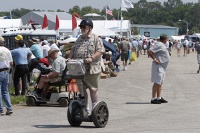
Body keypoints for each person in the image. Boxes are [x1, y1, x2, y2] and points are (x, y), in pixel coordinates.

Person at [69, 19, 105, 113]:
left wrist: (92, 58)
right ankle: (85, 108)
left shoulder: (96, 38)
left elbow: (101, 51)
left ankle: (95, 109)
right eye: (81, 27)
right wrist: (69, 58)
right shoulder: (79, 38)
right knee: (82, 89)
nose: (81, 29)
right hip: (79, 69)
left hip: (92, 68)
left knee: (93, 89)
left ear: (89, 28)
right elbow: (73, 49)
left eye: (83, 27)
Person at [148, 34, 170, 104]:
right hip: (158, 66)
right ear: (164, 39)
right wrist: (155, 59)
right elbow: (150, 51)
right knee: (157, 82)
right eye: (166, 39)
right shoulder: (159, 44)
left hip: (162, 66)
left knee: (160, 82)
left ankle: (159, 97)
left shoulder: (162, 45)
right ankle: (153, 98)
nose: (167, 40)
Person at [0, 36, 13, 115]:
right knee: (5, 91)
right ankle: (9, 108)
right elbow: (11, 62)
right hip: (6, 71)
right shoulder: (7, 50)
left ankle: (0, 110)